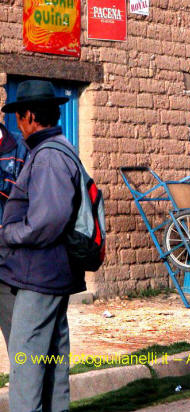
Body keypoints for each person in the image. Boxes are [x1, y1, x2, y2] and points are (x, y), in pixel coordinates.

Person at [0, 80, 85, 412]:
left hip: (39, 277)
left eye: (19, 117)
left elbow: (47, 221)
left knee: (26, 360)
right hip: (52, 275)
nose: (18, 126)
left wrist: (7, 233)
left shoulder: (48, 157)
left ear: (31, 116)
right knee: (51, 358)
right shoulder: (58, 149)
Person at [0, 123, 27, 346]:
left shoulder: (20, 147)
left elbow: (23, 191)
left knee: (15, 326)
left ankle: (23, 377)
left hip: (7, 248)